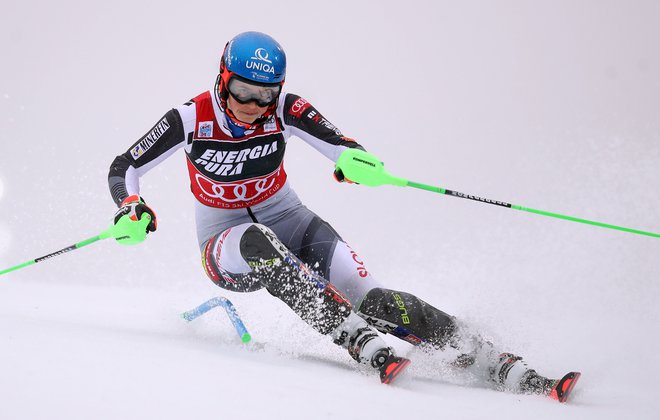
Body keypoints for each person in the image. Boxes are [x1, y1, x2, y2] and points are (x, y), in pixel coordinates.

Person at [108, 31, 580, 399]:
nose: (253, 106)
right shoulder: (190, 118)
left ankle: (494, 360)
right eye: (242, 90)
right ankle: (355, 338)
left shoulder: (286, 110)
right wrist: (131, 206)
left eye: (264, 94)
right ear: (221, 78)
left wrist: (356, 162)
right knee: (255, 239)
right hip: (227, 246)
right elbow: (124, 166)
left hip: (290, 218)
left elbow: (341, 145)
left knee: (378, 301)